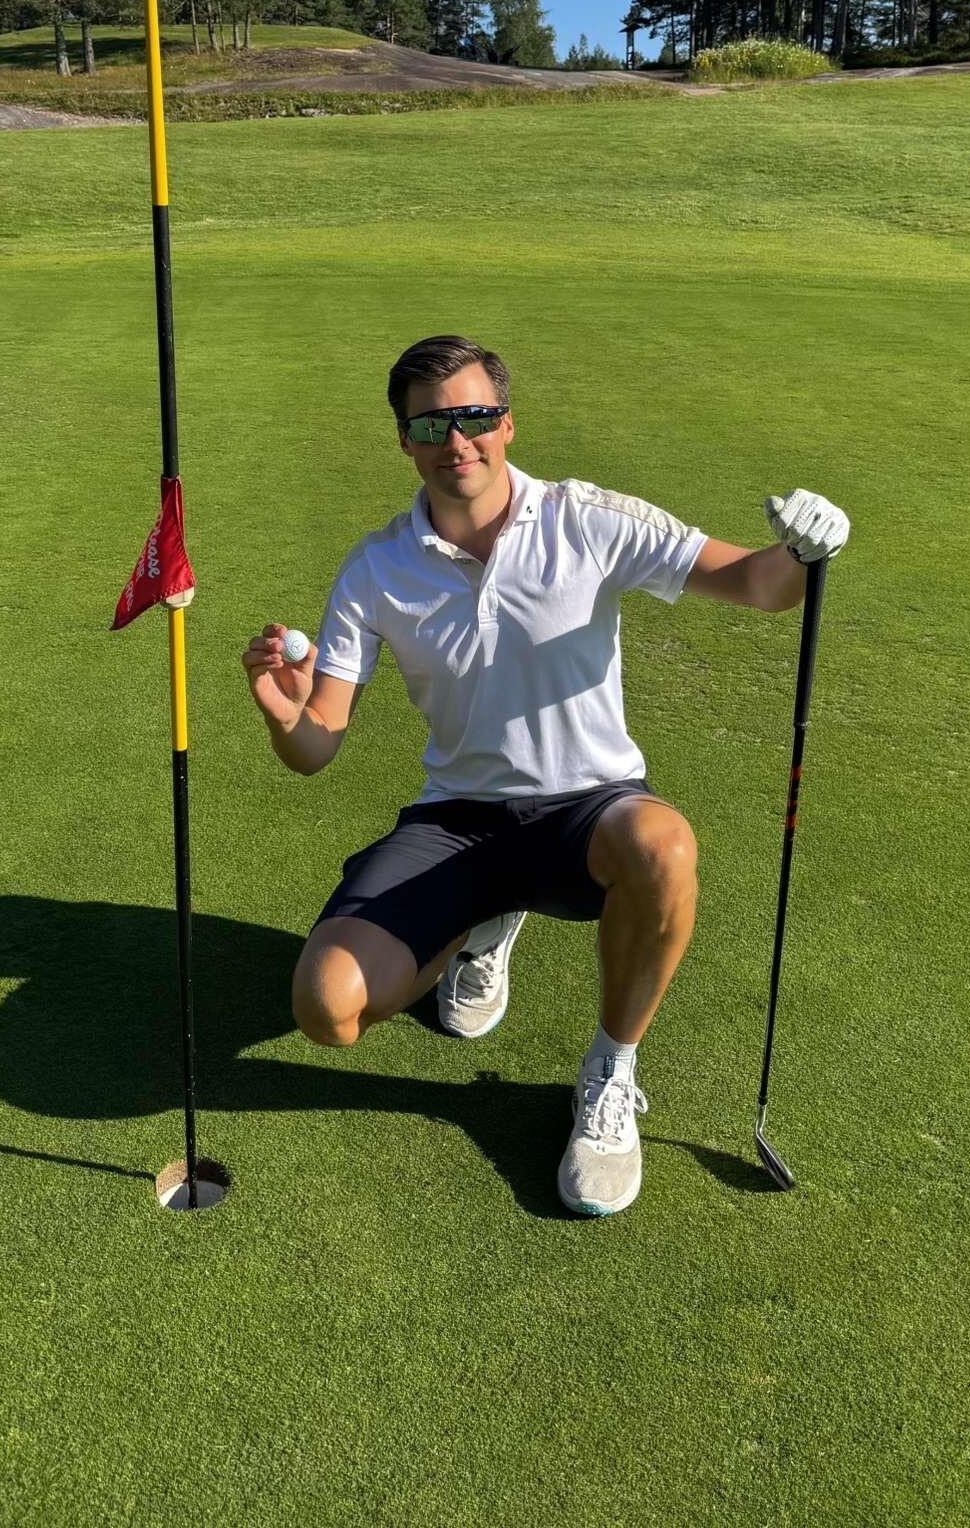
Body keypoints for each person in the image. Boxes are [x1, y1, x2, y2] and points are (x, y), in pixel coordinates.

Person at [242, 334, 849, 1217]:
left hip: (589, 809)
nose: (457, 441)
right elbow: (316, 746)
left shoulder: (587, 519)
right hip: (458, 821)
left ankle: (610, 1067)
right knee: (324, 1009)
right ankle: (483, 922)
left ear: (507, 423)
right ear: (404, 439)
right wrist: (285, 712)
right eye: (431, 424)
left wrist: (802, 552)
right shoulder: (375, 568)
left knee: (665, 845)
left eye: (475, 417)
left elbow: (757, 585)